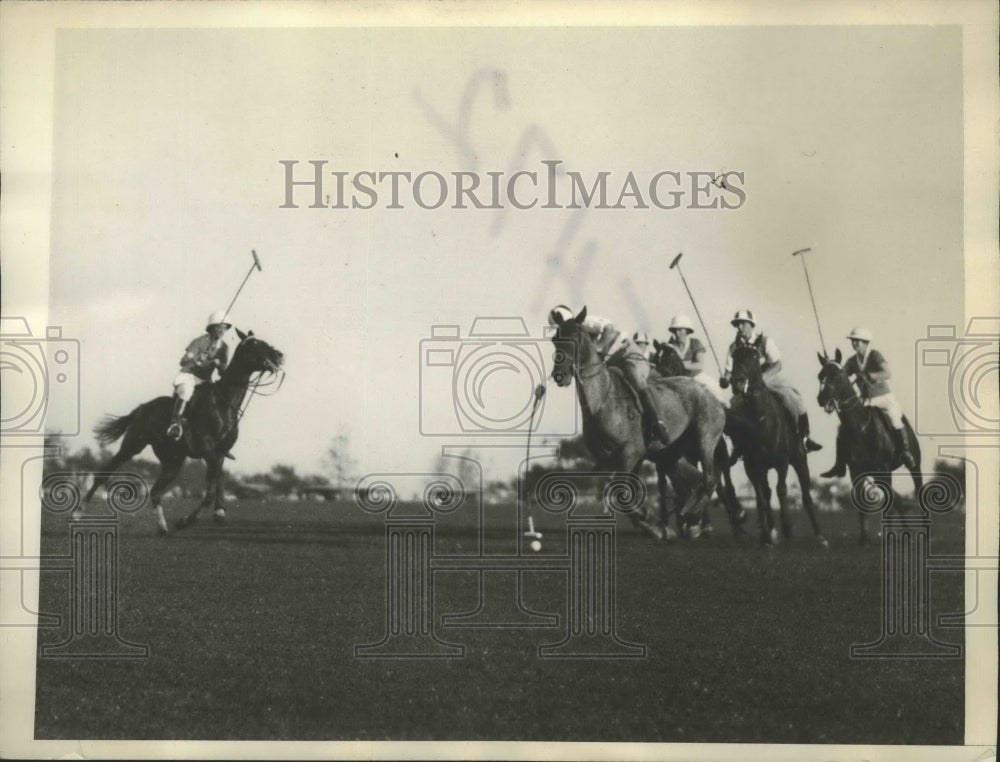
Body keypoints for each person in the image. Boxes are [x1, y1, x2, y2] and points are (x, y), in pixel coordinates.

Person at [549, 305, 670, 444]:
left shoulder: (585, 321)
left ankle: (657, 422)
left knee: (633, 374)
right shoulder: (571, 337)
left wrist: (597, 348)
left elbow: (609, 328)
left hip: (628, 354)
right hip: (610, 363)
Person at [720, 309, 822, 453]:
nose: (739, 328)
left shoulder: (765, 341)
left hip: (768, 378)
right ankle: (738, 446)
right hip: (745, 385)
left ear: (751, 324)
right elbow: (728, 370)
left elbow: (778, 364)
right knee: (730, 408)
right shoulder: (733, 347)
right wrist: (725, 379)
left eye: (743, 324)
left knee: (793, 398)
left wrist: (762, 379)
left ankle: (805, 438)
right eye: (737, 325)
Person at [822, 327, 915, 474]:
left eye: (857, 341)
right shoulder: (852, 361)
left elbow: (887, 373)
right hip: (865, 400)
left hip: (883, 397)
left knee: (894, 418)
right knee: (843, 427)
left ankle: (905, 452)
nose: (854, 344)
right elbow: (842, 374)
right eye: (853, 341)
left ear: (865, 343)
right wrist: (831, 366)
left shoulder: (874, 355)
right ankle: (840, 463)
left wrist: (870, 376)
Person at [166, 310, 232, 440]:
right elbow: (183, 361)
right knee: (187, 390)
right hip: (189, 375)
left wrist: (219, 365)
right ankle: (175, 424)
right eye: (219, 327)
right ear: (212, 328)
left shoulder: (224, 347)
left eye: (224, 328)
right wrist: (197, 359)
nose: (222, 330)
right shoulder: (199, 341)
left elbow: (223, 372)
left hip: (205, 380)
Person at [659, 314, 729, 404]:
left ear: (687, 331)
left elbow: (699, 365)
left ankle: (725, 408)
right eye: (675, 331)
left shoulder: (695, 343)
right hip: (676, 379)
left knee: (717, 392)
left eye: (680, 330)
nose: (677, 333)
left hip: (695, 377)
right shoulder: (670, 346)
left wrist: (681, 364)